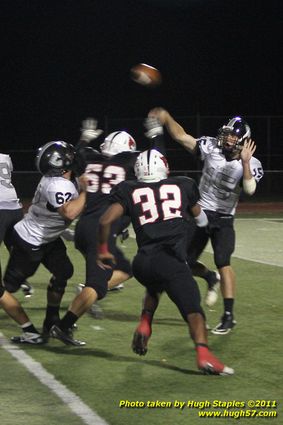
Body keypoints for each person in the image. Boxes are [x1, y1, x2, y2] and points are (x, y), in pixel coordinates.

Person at [96, 149, 234, 375]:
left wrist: (103, 250)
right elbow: (201, 220)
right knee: (194, 311)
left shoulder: (129, 189)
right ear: (164, 167)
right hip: (170, 259)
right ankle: (204, 356)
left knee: (156, 284)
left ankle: (145, 321)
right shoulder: (183, 185)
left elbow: (105, 221)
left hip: (142, 264)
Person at [49, 116, 166, 344]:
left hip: (85, 227)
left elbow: (73, 157)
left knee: (126, 269)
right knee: (96, 286)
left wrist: (83, 139)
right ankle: (63, 326)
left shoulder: (90, 157)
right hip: (100, 233)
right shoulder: (129, 162)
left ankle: (87, 291)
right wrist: (156, 136)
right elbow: (157, 160)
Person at [150, 108, 264, 334]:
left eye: (233, 135)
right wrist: (167, 118)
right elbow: (182, 137)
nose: (227, 138)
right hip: (200, 213)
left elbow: (250, 190)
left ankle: (228, 315)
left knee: (224, 260)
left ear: (242, 140)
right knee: (183, 261)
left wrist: (246, 164)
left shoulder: (250, 162)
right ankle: (210, 277)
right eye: (227, 133)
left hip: (223, 218)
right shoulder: (212, 147)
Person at [3, 140, 87, 342]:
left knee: (64, 271)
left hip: (48, 239)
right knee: (8, 288)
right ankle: (29, 329)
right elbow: (69, 212)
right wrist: (89, 191)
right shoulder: (57, 184)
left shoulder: (64, 176)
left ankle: (51, 319)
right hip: (29, 241)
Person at [0, 150, 33, 297]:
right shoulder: (5, 157)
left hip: (0, 208)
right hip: (15, 208)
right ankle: (22, 280)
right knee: (14, 248)